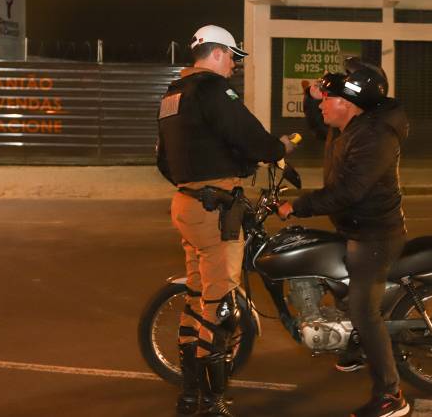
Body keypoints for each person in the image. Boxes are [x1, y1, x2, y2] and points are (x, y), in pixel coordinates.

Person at [157, 24, 294, 417]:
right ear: (216, 53)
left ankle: (189, 397)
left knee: (197, 299)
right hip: (214, 211)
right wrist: (277, 149)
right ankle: (213, 405)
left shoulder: (172, 95)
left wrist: (199, 180)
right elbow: (248, 135)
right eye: (233, 57)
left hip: (187, 204)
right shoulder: (213, 89)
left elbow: (164, 159)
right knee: (220, 308)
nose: (234, 65)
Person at [277, 58, 410, 417]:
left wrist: (298, 206)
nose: (322, 105)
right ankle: (355, 348)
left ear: (347, 104)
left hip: (375, 234)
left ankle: (391, 396)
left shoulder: (374, 137)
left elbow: (349, 191)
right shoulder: (348, 127)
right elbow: (318, 125)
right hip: (354, 227)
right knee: (336, 283)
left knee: (364, 311)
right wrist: (312, 97)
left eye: (327, 100)